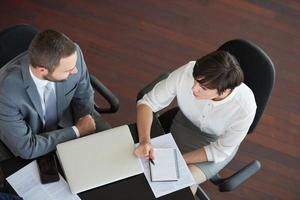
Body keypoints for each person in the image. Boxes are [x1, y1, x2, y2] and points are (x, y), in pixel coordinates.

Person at [134, 51, 257, 194]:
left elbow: (220, 150)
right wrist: (144, 141)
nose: (194, 88)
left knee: (182, 187)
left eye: (203, 88)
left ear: (224, 92)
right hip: (183, 126)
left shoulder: (244, 107)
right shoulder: (188, 71)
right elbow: (147, 103)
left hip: (215, 146)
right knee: (140, 176)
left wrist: (177, 160)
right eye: (195, 80)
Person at [0, 29, 110, 159]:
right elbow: (27, 147)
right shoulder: (6, 93)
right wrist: (76, 131)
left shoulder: (73, 56)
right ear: (42, 70)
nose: (75, 71)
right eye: (68, 71)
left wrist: (83, 128)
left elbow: (84, 96)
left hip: (68, 120)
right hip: (33, 138)